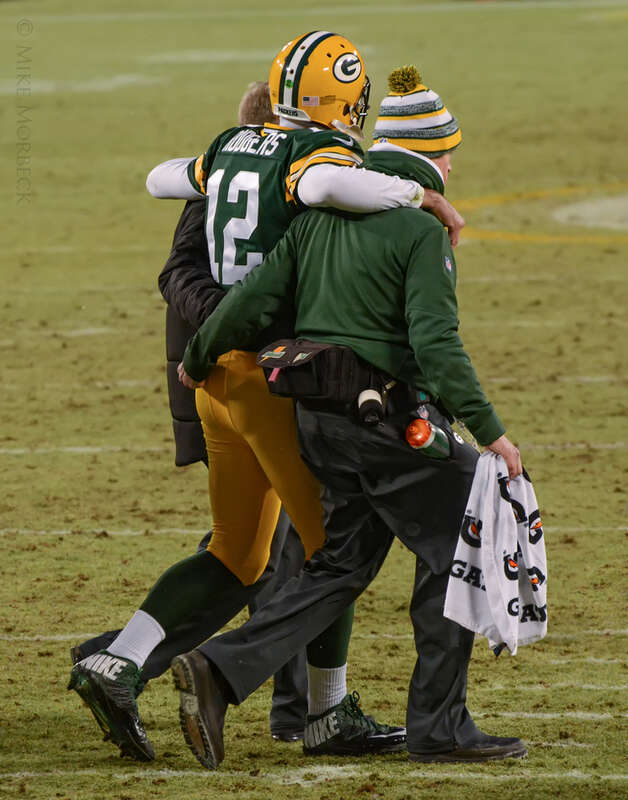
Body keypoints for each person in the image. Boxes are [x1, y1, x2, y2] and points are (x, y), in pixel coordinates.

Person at [68, 32, 448, 764]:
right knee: (330, 549)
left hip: (212, 380)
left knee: (237, 553)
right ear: (343, 99)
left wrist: (238, 149)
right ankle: (327, 714)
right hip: (272, 375)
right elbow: (325, 186)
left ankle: (118, 664)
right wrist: (415, 190)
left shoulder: (231, 147)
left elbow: (158, 178)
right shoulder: (319, 163)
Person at [170, 65, 527, 769]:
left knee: (338, 565)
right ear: (430, 154)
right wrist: (489, 431)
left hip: (318, 424)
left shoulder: (315, 220)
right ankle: (439, 725)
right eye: (448, 150)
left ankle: (220, 668)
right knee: (458, 541)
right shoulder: (417, 228)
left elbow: (251, 305)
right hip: (388, 424)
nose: (452, 163)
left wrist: (199, 355)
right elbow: (435, 342)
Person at [70, 80, 310, 744]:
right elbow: (179, 274)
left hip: (224, 382)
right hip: (236, 387)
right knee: (287, 553)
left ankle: (118, 657)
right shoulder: (249, 187)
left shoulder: (248, 182)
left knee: (256, 554)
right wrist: (236, 329)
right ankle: (306, 707)